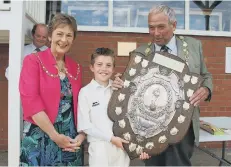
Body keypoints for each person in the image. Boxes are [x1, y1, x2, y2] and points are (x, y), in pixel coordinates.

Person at [112, 4, 213, 166]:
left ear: (174, 25)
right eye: (151, 28)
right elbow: (130, 86)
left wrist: (206, 89)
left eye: (161, 27)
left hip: (182, 125)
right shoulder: (140, 53)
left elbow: (206, 75)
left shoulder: (194, 46)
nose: (156, 33)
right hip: (148, 126)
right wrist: (119, 84)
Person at [19, 13, 85, 166]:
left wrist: (82, 134)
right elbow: (31, 102)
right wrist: (55, 136)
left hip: (69, 142)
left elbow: (82, 104)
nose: (64, 40)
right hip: (40, 138)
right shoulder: (33, 61)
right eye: (59, 34)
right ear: (50, 36)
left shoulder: (76, 68)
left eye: (69, 35)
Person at [77, 48, 149, 166]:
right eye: (99, 64)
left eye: (108, 65)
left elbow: (133, 117)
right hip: (99, 147)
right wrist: (111, 138)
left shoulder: (119, 88)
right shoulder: (85, 92)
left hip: (121, 146)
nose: (104, 69)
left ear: (113, 68)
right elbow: (85, 126)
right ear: (92, 67)